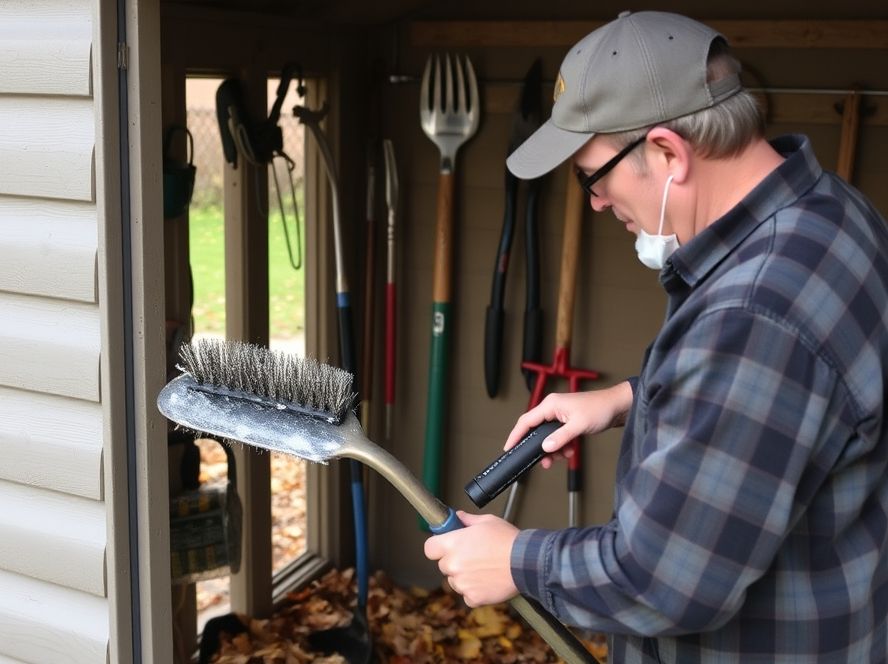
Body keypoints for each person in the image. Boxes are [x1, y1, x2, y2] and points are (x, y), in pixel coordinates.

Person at [424, 10, 888, 663]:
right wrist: (628, 399)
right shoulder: (829, 211)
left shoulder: (754, 315)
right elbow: (789, 404)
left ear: (669, 153)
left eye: (592, 177)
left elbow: (668, 580)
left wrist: (516, 560)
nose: (593, 202)